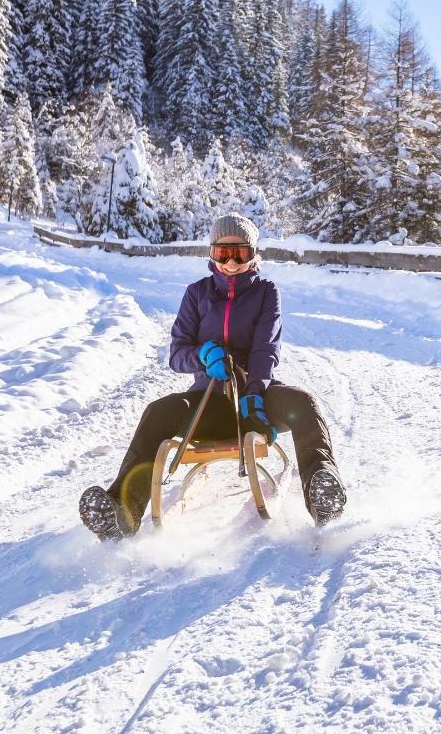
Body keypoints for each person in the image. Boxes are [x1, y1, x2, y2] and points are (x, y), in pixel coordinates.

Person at [78, 212, 347, 540]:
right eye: (223, 253)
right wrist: (203, 356)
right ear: (212, 254)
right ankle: (123, 510)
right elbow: (177, 355)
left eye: (241, 254)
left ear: (253, 255)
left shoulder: (266, 293)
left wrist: (254, 394)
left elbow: (266, 350)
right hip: (211, 403)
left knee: (303, 402)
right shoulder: (197, 294)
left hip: (257, 402)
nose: (231, 263)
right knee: (158, 412)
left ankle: (322, 490)